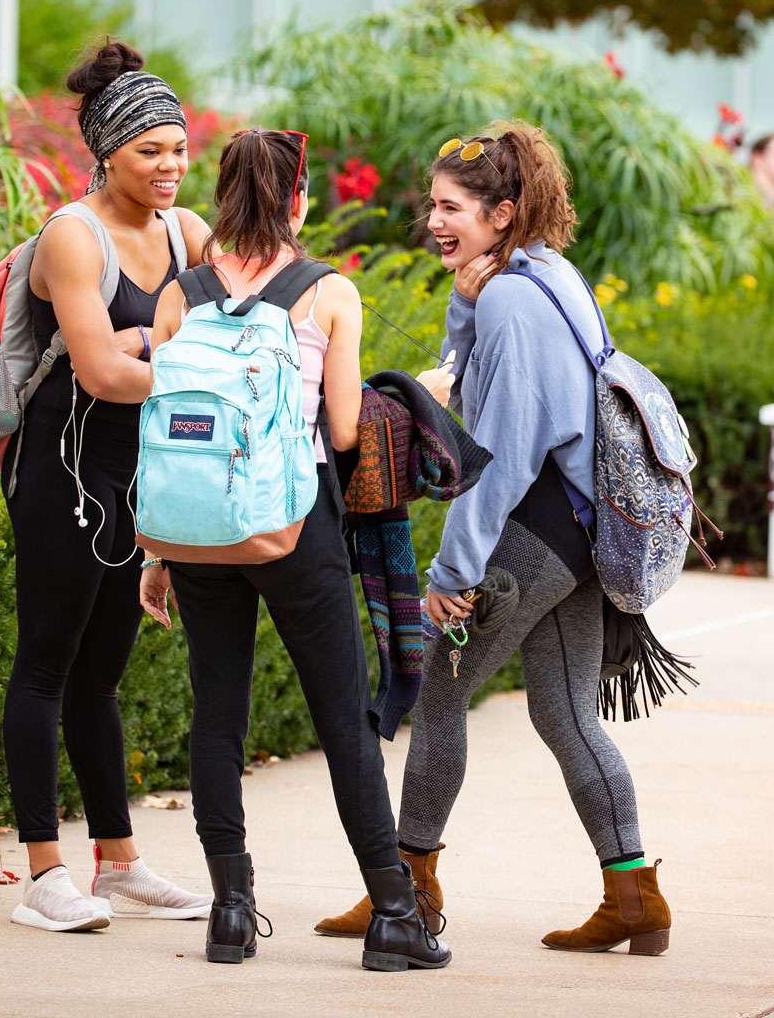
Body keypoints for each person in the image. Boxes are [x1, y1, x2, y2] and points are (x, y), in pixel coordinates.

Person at [317, 121, 672, 955]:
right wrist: (465, 299)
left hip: (536, 527)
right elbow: (467, 374)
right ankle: (633, 897)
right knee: (564, 711)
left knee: (441, 689)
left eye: (453, 208)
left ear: (503, 211)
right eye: (432, 206)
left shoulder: (512, 296)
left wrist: (452, 570)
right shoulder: (542, 274)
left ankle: (403, 893)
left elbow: (504, 451)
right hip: (583, 531)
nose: (436, 222)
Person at [141, 128, 453, 971]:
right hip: (293, 524)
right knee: (343, 718)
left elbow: (175, 440)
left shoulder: (182, 296)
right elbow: (347, 430)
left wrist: (158, 554)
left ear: (225, 196)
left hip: (200, 532)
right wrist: (419, 398)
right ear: (299, 201)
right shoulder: (327, 294)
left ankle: (231, 913)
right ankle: (394, 913)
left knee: (218, 715)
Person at [3, 39, 214, 933]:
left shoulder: (188, 232)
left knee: (102, 676)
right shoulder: (70, 236)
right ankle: (45, 872)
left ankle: (119, 862)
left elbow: (239, 338)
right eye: (149, 153)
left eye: (177, 148)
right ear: (106, 151)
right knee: (48, 663)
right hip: (61, 470)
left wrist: (152, 350)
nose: (169, 168)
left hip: (140, 477)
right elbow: (100, 376)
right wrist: (169, 351)